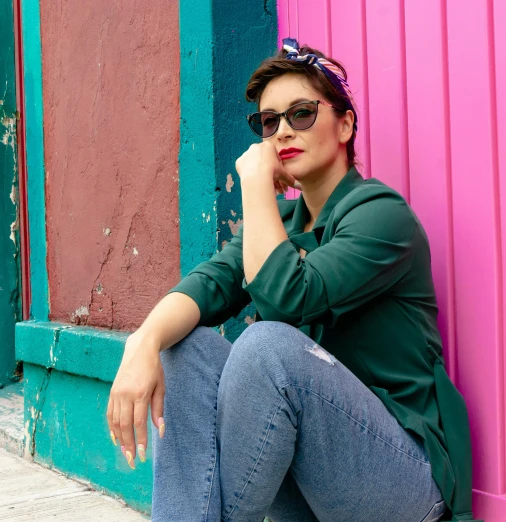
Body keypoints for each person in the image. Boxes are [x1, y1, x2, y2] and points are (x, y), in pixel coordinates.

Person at [106, 38, 480, 522]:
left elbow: (289, 300)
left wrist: (256, 185)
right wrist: (144, 341)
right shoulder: (280, 221)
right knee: (186, 349)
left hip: (405, 483)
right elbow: (211, 283)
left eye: (301, 114)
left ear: (345, 124)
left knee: (267, 347)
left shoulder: (382, 216)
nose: (282, 132)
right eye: (269, 122)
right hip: (312, 485)